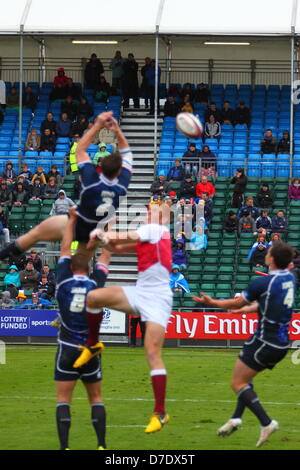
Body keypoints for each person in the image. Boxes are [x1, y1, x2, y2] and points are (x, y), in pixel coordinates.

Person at [74, 203, 172, 434]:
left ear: (164, 218)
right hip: (141, 292)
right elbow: (118, 248)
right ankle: (93, 344)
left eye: (154, 211)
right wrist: (105, 241)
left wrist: (103, 234)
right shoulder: (150, 235)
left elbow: (126, 235)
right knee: (94, 298)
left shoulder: (158, 230)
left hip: (158, 299)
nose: (149, 213)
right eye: (148, 211)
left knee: (152, 353)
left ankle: (160, 413)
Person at [192, 242, 296, 447]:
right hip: (282, 343)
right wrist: (245, 311)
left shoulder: (261, 283)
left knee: (237, 383)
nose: (266, 254)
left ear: (272, 259)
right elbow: (264, 301)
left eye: (268, 252)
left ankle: (266, 422)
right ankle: (236, 418)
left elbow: (236, 302)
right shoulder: (290, 278)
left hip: (264, 340)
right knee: (246, 377)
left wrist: (212, 303)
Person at [0, 112, 132, 266]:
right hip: (94, 231)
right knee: (82, 268)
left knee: (34, 235)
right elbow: (127, 154)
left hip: (75, 223)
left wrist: (97, 125)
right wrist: (117, 131)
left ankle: (2, 255)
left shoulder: (92, 178)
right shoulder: (121, 185)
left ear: (100, 167)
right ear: (119, 172)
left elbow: (79, 150)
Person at [54, 210, 109, 450]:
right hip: (89, 348)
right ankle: (101, 445)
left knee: (63, 399)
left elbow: (65, 249)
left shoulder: (63, 280)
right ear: (88, 269)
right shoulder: (96, 283)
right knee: (95, 398)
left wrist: (73, 219)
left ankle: (64, 446)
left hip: (66, 348)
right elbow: (106, 258)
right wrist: (106, 232)